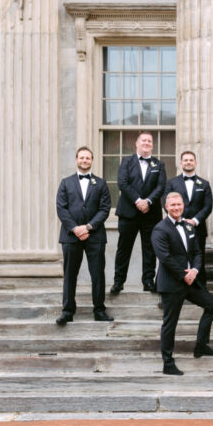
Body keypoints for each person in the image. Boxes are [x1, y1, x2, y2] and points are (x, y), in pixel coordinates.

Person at [152, 192, 213, 375]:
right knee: (170, 324)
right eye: (172, 205)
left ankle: (200, 345)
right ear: (166, 207)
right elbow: (165, 258)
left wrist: (195, 270)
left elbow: (198, 252)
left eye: (179, 204)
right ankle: (168, 363)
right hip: (172, 283)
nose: (176, 207)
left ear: (183, 205)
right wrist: (184, 275)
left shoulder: (190, 227)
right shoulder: (160, 229)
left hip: (191, 280)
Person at [55, 147, 113, 325]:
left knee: (97, 274)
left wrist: (88, 227)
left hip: (95, 237)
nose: (85, 160)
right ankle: (67, 311)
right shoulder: (66, 183)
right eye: (82, 158)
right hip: (71, 236)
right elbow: (61, 208)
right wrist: (75, 228)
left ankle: (99, 310)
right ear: (76, 160)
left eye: (88, 158)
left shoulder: (101, 184)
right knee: (70, 274)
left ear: (92, 161)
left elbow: (105, 209)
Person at [111, 131, 166, 295]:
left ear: (152, 145)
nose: (147, 143)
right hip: (129, 213)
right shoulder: (126, 161)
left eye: (150, 141)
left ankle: (148, 281)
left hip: (151, 213)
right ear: (137, 143)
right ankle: (118, 281)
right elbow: (122, 183)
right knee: (123, 249)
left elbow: (161, 186)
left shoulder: (159, 164)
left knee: (150, 249)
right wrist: (138, 201)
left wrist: (148, 201)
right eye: (144, 140)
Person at [163, 151, 213, 287]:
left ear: (195, 163)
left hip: (198, 228)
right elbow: (165, 203)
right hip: (176, 228)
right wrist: (180, 219)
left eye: (191, 160)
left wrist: (195, 221)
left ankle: (201, 291)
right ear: (180, 163)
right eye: (185, 160)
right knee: (174, 259)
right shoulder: (172, 183)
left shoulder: (204, 184)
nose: (188, 162)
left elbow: (208, 206)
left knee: (199, 261)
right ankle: (172, 290)